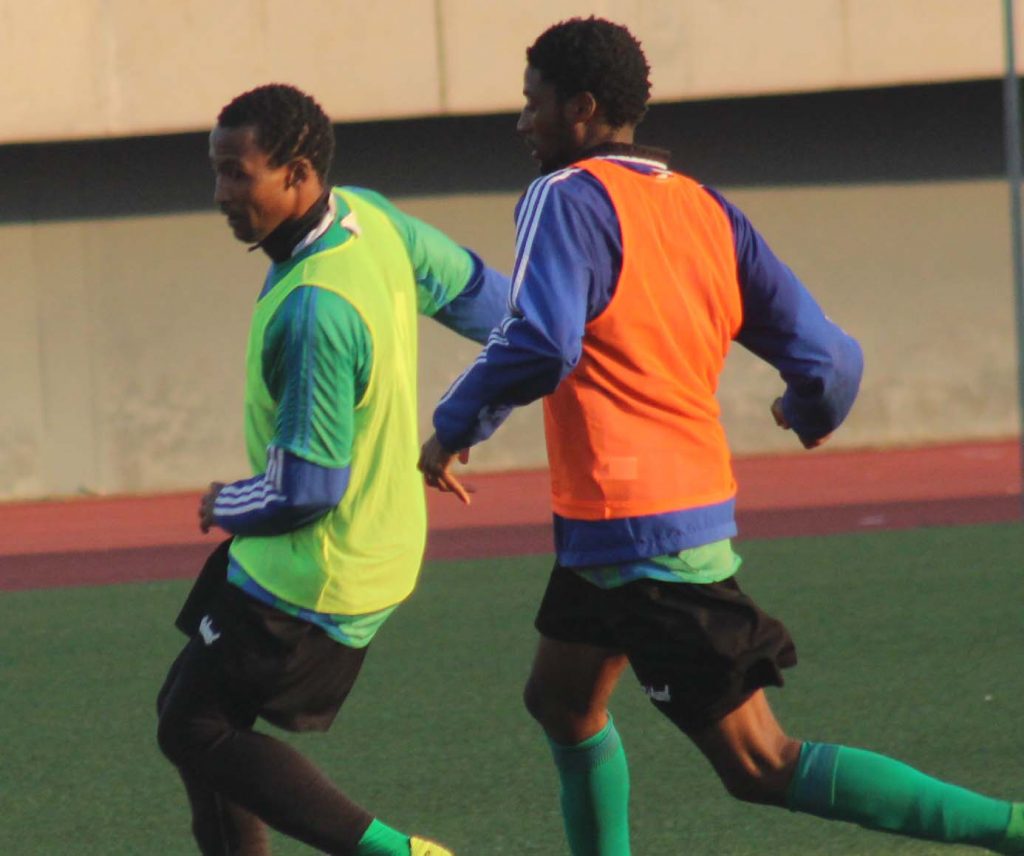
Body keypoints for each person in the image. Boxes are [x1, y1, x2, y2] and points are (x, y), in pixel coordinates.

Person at [419, 16, 1024, 856]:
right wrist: (806, 410)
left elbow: (542, 342)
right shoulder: (705, 208)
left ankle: (1012, 829)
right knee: (561, 701)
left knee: (760, 765)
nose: (522, 123)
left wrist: (451, 428)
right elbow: (829, 357)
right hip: (626, 525)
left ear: (583, 109)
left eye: (533, 104)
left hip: (641, 536)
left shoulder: (563, 197)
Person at [156, 83, 508, 856]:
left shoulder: (315, 309)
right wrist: (459, 425)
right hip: (359, 549)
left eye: (237, 174)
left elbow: (306, 490)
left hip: (315, 570)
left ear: (298, 173)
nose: (220, 195)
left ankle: (395, 853)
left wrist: (224, 499)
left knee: (193, 726)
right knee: (201, 727)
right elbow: (504, 312)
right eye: (215, 172)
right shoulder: (369, 217)